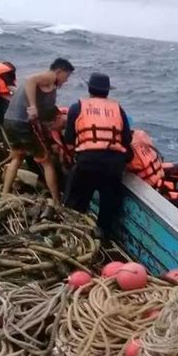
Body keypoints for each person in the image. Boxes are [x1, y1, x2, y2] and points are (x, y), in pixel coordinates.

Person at [63, 72, 132, 240]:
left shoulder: (77, 107)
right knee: (108, 205)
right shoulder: (118, 109)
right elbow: (127, 140)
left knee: (76, 202)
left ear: (89, 89)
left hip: (87, 163)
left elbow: (70, 142)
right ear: (107, 92)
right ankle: (103, 236)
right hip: (114, 166)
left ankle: (72, 234)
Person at [2, 58, 75, 204]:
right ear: (59, 71)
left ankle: (4, 194)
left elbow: (46, 109)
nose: (65, 81)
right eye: (66, 77)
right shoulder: (50, 76)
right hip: (22, 123)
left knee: (17, 156)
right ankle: (56, 201)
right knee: (46, 160)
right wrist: (33, 106)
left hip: (9, 121)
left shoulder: (48, 84)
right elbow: (30, 80)